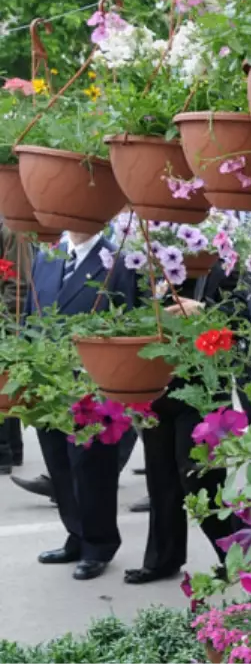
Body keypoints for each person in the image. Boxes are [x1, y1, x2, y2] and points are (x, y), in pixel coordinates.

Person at [21, 229, 138, 580]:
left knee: (92, 468)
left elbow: (128, 321)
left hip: (91, 383)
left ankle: (99, 544)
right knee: (58, 463)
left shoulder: (116, 261)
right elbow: (30, 315)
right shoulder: (47, 256)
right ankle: (76, 533)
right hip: (48, 381)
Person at [124, 261, 247, 585]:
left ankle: (235, 556)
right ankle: (162, 559)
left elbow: (242, 314)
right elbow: (129, 309)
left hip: (204, 387)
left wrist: (203, 311)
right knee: (160, 476)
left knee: (199, 476)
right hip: (157, 381)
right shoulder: (150, 261)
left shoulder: (222, 263)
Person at [0, 221, 31, 475]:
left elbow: (19, 283)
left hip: (6, 319)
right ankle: (12, 449)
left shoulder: (11, 228)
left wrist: (6, 317)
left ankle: (4, 453)